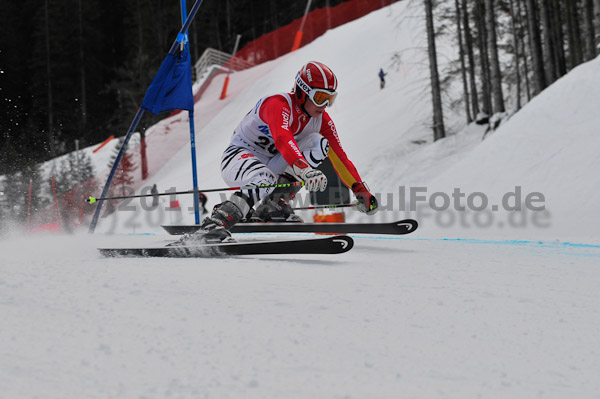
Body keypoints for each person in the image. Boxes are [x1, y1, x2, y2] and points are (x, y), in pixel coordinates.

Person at [189, 61, 378, 243]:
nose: (325, 105)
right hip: (239, 157)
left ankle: (274, 204)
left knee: (318, 143)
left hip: (272, 163)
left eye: (330, 99)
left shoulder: (322, 121)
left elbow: (340, 157)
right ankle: (215, 223)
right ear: (303, 92)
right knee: (265, 177)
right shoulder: (278, 104)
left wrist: (360, 189)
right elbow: (282, 139)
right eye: (320, 98)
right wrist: (305, 170)